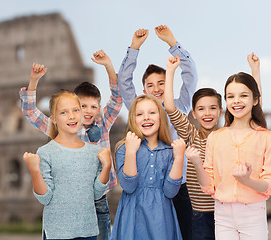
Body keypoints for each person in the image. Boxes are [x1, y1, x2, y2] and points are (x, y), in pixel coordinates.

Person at [19, 50, 122, 240]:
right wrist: (34, 81)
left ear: (98, 109)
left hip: (97, 199)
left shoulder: (103, 122)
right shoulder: (59, 128)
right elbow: (31, 112)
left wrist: (108, 66)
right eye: (80, 107)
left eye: (93, 107)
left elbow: (116, 98)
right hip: (64, 205)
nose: (86, 112)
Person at [165, 54, 261, 239]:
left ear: (220, 111)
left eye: (212, 108)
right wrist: (170, 71)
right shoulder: (191, 135)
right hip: (198, 214)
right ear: (193, 113)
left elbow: (253, 110)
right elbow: (170, 107)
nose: (207, 113)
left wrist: (255, 71)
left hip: (227, 212)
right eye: (201, 109)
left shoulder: (230, 135)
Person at [118, 25, 197, 239]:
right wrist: (134, 47)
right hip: (145, 186)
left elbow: (190, 76)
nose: (157, 89)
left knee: (185, 233)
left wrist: (173, 43)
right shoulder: (140, 111)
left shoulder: (179, 107)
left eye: (162, 83)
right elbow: (123, 83)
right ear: (144, 91)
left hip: (177, 186)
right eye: (150, 85)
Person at [191, 70, 271, 240]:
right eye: (230, 96)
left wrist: (247, 180)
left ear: (255, 100)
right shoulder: (215, 138)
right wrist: (196, 162)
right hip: (222, 213)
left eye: (243, 95)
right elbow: (208, 186)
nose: (236, 101)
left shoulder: (269, 138)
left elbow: (269, 185)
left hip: (253, 213)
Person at [23, 89, 111, 240]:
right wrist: (34, 170)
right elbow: (45, 198)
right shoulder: (45, 152)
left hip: (88, 232)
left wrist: (107, 167)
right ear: (54, 119)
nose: (71, 116)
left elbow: (96, 194)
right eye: (64, 112)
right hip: (56, 233)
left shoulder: (94, 152)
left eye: (76, 110)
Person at [110, 95, 186, 240]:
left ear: (161, 117)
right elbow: (128, 186)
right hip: (132, 217)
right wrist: (131, 152)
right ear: (133, 119)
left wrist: (179, 158)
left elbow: (170, 192)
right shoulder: (124, 148)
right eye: (139, 114)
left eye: (152, 112)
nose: (146, 117)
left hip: (161, 220)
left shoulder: (169, 151)